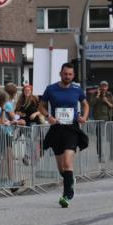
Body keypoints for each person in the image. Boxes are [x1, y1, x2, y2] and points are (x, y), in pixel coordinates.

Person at [38, 63, 89, 208]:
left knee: (67, 162)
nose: (67, 77)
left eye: (70, 74)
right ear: (60, 73)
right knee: (61, 168)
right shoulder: (51, 89)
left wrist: (84, 117)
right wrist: (48, 116)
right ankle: (70, 180)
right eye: (65, 74)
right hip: (57, 129)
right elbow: (41, 105)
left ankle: (66, 195)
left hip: (71, 129)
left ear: (73, 75)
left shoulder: (77, 89)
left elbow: (85, 104)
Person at [90, 81, 113, 163]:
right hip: (99, 119)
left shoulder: (109, 95)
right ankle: (100, 156)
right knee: (99, 138)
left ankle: (112, 155)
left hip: (109, 119)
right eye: (102, 86)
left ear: (107, 87)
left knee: (112, 138)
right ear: (100, 87)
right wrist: (97, 95)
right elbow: (91, 104)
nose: (103, 88)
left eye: (105, 86)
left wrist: (107, 102)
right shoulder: (95, 94)